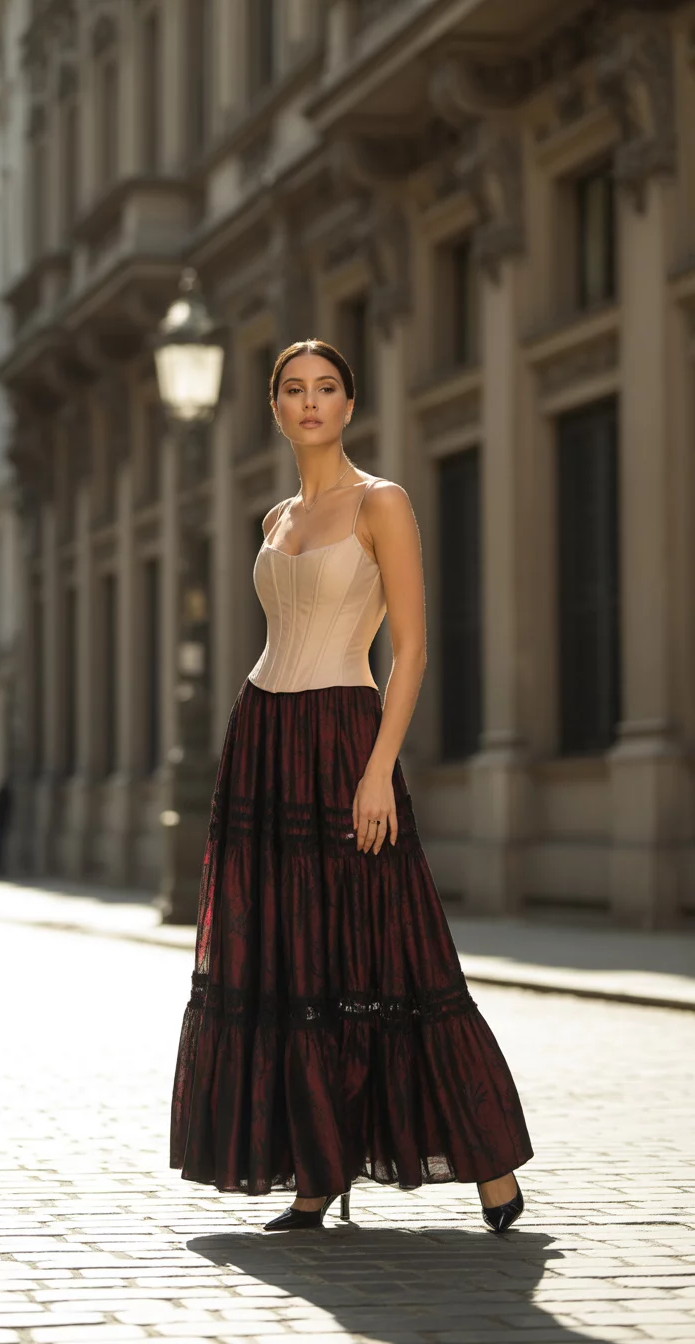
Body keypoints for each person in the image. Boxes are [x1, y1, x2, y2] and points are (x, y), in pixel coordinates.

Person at [169, 338, 533, 1233]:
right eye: (293, 389)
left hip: (343, 738)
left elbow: (408, 649)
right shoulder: (273, 520)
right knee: (290, 959)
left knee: (391, 949)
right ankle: (316, 1169)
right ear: (274, 406)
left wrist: (378, 770)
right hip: (261, 739)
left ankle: (489, 1161)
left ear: (349, 404)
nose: (310, 403)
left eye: (326, 388)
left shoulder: (384, 502)